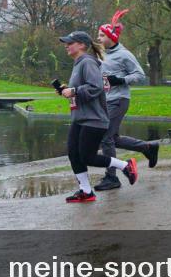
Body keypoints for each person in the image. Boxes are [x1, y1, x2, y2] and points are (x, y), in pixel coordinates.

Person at [58, 31, 137, 202]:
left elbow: (96, 87)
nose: (66, 45)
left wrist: (74, 91)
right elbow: (83, 89)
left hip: (93, 119)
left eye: (70, 42)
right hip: (80, 118)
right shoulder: (79, 63)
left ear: (81, 45)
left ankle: (125, 165)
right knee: (73, 154)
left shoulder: (87, 62)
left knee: (87, 157)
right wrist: (68, 91)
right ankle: (86, 191)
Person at [92, 9, 161, 192]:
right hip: (107, 100)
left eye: (101, 35)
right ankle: (147, 147)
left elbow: (140, 75)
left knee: (106, 138)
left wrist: (121, 80)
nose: (98, 38)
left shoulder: (124, 54)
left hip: (119, 100)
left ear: (111, 37)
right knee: (113, 138)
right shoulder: (104, 54)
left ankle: (112, 178)